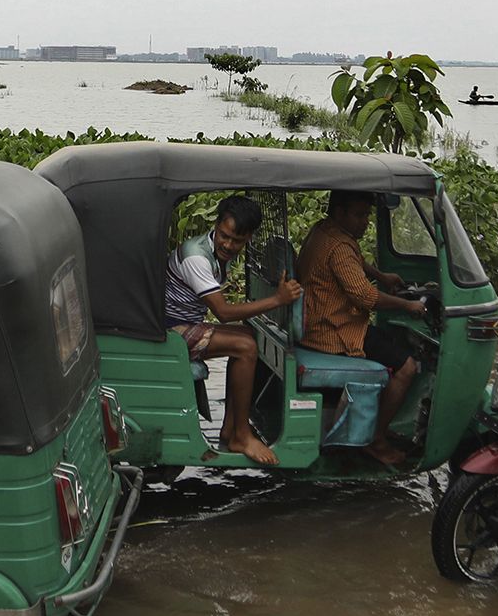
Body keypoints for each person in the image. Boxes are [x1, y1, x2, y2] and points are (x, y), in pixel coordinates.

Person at [165, 195, 302, 465]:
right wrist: (277, 300)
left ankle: (231, 427)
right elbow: (224, 313)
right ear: (216, 225)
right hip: (171, 330)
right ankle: (240, 434)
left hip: (186, 323)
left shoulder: (213, 251)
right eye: (224, 236)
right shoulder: (197, 257)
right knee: (245, 346)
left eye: (237, 241)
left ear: (249, 237)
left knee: (249, 337)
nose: (228, 244)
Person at [296, 190, 427, 466]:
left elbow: (352, 262)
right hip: (335, 332)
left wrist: (380, 275)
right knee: (408, 367)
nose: (365, 221)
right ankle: (376, 441)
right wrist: (408, 307)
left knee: (390, 346)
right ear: (339, 212)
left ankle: (372, 426)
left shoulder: (325, 231)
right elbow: (366, 297)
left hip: (318, 323)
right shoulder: (341, 246)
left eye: (367, 215)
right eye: (359, 214)